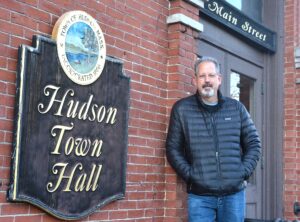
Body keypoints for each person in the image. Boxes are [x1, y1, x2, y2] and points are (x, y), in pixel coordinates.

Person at [166, 56, 261, 222]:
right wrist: (191, 175)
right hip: (200, 197)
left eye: (211, 75)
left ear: (219, 79)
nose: (207, 80)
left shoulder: (236, 108)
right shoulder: (182, 109)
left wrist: (242, 172)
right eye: (202, 76)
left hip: (234, 195)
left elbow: (253, 144)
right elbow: (173, 149)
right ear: (195, 80)